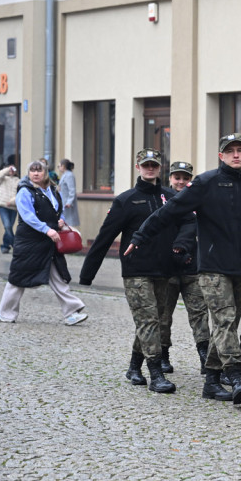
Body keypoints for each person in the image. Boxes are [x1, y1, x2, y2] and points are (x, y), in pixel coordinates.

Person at [130, 133, 241, 406]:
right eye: (230, 151)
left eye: (240, 150)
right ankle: (235, 373)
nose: (236, 155)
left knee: (226, 324)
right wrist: (141, 235)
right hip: (212, 267)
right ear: (221, 155)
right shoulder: (206, 183)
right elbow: (170, 211)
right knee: (225, 320)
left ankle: (211, 382)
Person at [79, 149, 193, 394]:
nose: (150, 168)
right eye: (145, 165)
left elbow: (188, 222)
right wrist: (87, 274)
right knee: (148, 319)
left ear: (160, 168)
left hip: (164, 269)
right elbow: (104, 237)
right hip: (136, 270)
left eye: (154, 165)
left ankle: (133, 366)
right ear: (138, 167)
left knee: (156, 322)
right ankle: (156, 373)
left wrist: (181, 248)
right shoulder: (126, 200)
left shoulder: (170, 197)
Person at [0, 160, 87, 326]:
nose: (35, 173)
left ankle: (71, 312)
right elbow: (28, 216)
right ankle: (5, 312)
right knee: (18, 277)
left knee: (59, 276)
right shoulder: (25, 190)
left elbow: (59, 210)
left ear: (45, 172)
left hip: (50, 242)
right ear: (28, 173)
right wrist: (47, 229)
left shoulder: (52, 189)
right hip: (30, 241)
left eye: (39, 170)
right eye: (32, 170)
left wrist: (60, 221)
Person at [157, 160, 212, 374]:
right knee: (163, 315)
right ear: (170, 178)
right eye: (177, 177)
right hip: (168, 268)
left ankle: (204, 356)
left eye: (185, 178)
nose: (181, 182)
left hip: (193, 268)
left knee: (200, 314)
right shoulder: (162, 200)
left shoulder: (200, 200)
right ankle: (163, 355)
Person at [0, 157, 20, 254]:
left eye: (13, 170)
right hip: (3, 205)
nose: (12, 171)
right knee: (7, 226)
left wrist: (12, 202)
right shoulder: (2, 179)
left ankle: (5, 246)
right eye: (11, 170)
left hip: (13, 206)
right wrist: (7, 169)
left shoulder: (18, 181)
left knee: (8, 227)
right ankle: (15, 245)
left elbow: (19, 194)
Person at [58, 159, 80, 228]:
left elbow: (72, 189)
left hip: (67, 204)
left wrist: (69, 202)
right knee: (65, 222)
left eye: (59, 166)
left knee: (69, 223)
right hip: (63, 201)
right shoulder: (65, 175)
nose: (58, 168)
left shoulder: (69, 175)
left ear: (63, 166)